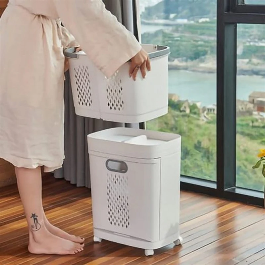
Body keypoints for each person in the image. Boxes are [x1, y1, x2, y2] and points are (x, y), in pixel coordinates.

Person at [0, 0, 151, 255]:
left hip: (30, 37)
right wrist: (130, 46)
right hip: (25, 45)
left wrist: (68, 42)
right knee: (28, 141)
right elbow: (81, 4)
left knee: (35, 136)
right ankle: (37, 235)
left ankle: (41, 225)